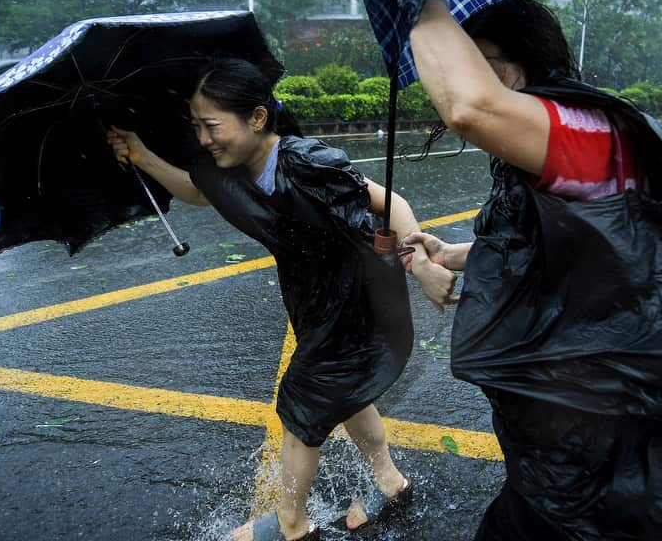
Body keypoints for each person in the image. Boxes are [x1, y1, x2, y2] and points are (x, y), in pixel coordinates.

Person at [404, 0, 662, 540]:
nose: (463, 78)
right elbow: (555, 248)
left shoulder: (591, 136)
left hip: (615, 485)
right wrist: (458, 256)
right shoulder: (533, 153)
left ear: (522, 61)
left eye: (481, 64)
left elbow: (469, 108)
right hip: (548, 463)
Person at [105, 57, 458, 541]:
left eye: (212, 126)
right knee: (345, 393)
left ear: (257, 117)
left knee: (302, 400)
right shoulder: (226, 168)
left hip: (359, 299)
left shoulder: (306, 162)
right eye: (196, 127)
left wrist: (420, 266)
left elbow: (391, 204)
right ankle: (389, 480)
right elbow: (200, 190)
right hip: (313, 299)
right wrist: (142, 155)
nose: (204, 139)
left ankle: (291, 525)